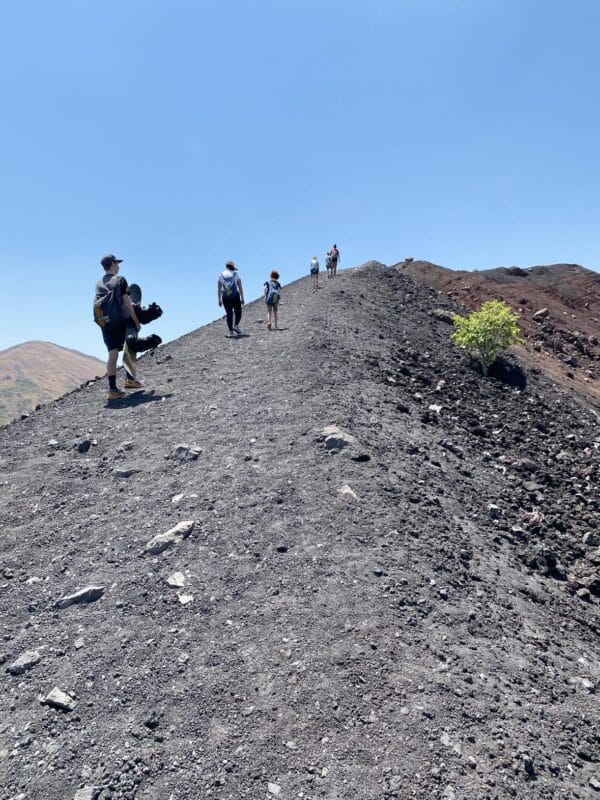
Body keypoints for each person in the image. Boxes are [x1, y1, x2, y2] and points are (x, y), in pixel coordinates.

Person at [94, 254, 142, 400]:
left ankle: (112, 389)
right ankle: (130, 379)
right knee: (130, 345)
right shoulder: (120, 280)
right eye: (117, 263)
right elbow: (127, 302)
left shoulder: (98, 283)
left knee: (112, 353)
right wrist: (136, 321)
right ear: (113, 264)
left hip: (105, 322)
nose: (119, 266)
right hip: (121, 319)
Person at [218, 261, 245, 336]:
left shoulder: (221, 275)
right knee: (238, 312)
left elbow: (219, 288)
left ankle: (230, 332)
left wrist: (219, 299)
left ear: (226, 267)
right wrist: (242, 298)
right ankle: (236, 325)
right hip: (235, 296)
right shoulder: (236, 275)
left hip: (225, 297)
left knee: (229, 314)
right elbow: (240, 287)